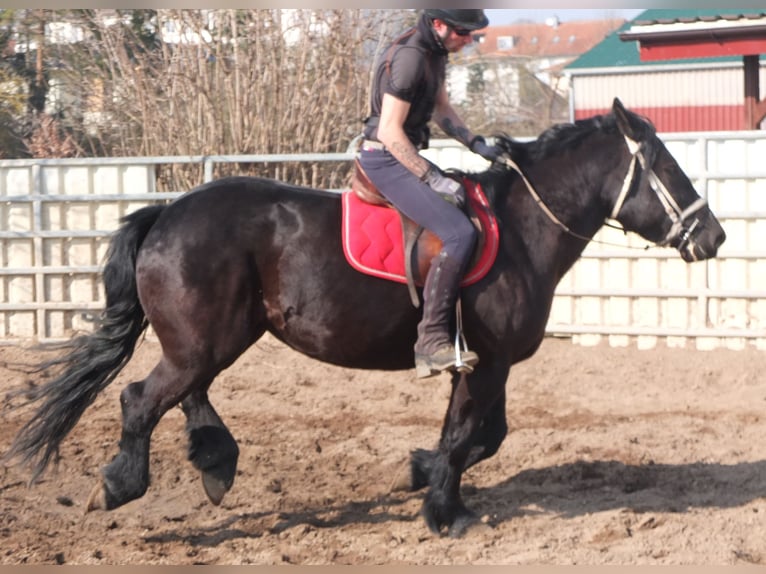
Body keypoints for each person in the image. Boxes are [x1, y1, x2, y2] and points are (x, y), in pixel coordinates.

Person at [358, 9, 504, 379]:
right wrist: (432, 178)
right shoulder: (409, 58)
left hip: (401, 155)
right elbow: (390, 132)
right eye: (463, 32)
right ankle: (430, 341)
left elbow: (441, 109)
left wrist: (475, 143)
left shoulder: (436, 53)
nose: (468, 40)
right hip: (385, 159)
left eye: (472, 34)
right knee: (459, 233)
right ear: (438, 25)